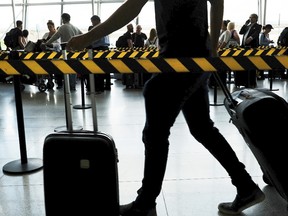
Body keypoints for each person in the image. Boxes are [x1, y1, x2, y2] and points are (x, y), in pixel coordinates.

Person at [66, 0, 265, 215]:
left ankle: (145, 203)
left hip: (179, 57)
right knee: (202, 128)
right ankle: (245, 186)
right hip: (197, 55)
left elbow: (132, 7)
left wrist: (88, 38)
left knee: (155, 131)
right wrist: (212, 49)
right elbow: (216, 2)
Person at [42, 13, 83, 90]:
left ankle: (69, 85)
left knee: (67, 68)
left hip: (67, 50)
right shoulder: (74, 27)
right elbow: (82, 35)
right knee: (73, 68)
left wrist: (46, 43)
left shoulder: (63, 27)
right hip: (74, 50)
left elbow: (55, 37)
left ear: (63, 19)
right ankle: (73, 86)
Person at [86, 15, 111, 94]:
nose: (92, 24)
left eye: (92, 22)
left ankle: (99, 88)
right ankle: (105, 86)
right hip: (105, 48)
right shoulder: (104, 27)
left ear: (96, 20)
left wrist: (89, 43)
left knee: (97, 69)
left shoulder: (99, 28)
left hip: (99, 49)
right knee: (104, 69)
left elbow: (97, 39)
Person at [237, 13, 262, 88]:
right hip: (244, 47)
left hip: (252, 47)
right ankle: (244, 82)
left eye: (252, 17)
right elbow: (241, 32)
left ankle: (252, 82)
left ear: (256, 19)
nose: (250, 19)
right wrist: (245, 24)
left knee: (252, 64)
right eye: (250, 17)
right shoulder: (247, 26)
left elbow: (256, 33)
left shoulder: (258, 26)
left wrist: (250, 38)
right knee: (245, 64)